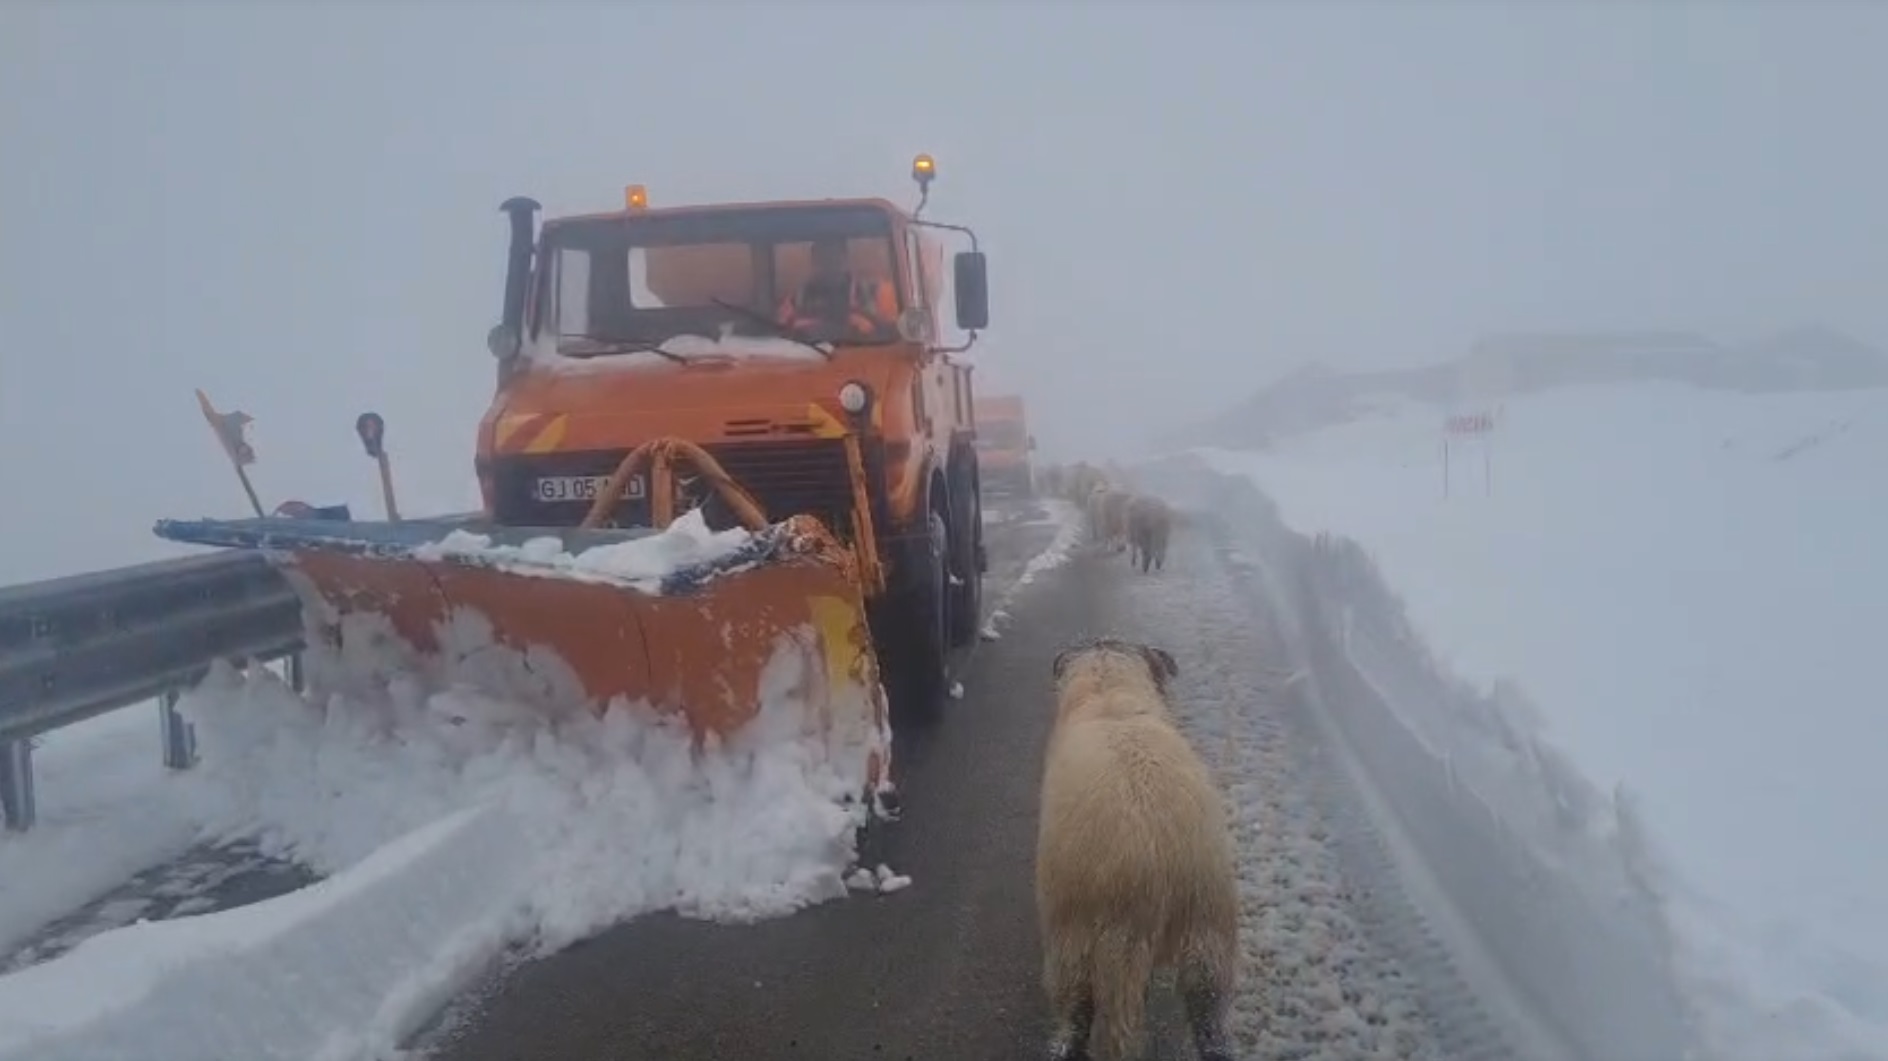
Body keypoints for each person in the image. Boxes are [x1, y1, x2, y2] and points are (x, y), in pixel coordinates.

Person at [776, 238, 899, 339]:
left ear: (845, 258)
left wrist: (865, 320)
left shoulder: (878, 291)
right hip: (812, 359)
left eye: (834, 256)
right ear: (814, 261)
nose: (829, 263)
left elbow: (896, 334)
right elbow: (780, 332)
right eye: (823, 258)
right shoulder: (798, 297)